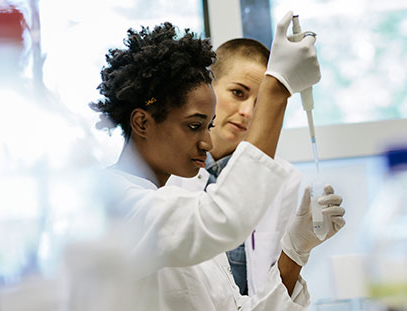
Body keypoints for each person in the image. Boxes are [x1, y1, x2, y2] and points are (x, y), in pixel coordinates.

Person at [91, 11, 346, 310]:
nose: (207, 142)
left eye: (209, 126)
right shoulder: (111, 205)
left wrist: (295, 251)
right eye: (194, 125)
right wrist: (276, 88)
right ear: (142, 122)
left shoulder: (173, 207)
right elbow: (221, 219)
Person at [166, 38, 301, 296]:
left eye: (261, 103)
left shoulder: (283, 180)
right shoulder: (168, 172)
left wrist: (299, 249)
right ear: (207, 87)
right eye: (238, 93)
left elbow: (276, 285)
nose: (248, 111)